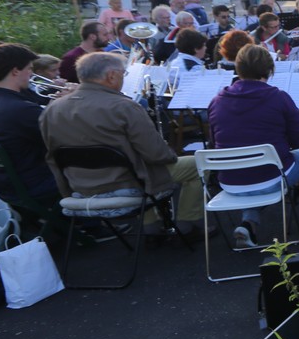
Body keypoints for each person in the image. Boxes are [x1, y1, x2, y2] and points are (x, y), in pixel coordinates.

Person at [40, 51, 205, 237]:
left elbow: (53, 157)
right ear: (111, 75)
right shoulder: (124, 106)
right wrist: (170, 155)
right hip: (128, 183)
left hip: (80, 187)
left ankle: (151, 228)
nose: (123, 78)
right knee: (198, 164)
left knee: (137, 163)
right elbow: (157, 155)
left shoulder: (51, 110)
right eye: (123, 73)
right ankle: (188, 224)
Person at [207, 45, 299, 240]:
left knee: (250, 169)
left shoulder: (217, 101)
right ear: (269, 69)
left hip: (230, 182)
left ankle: (249, 224)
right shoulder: (278, 97)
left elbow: (214, 141)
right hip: (270, 178)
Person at [0, 42, 60, 202]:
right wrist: (69, 102)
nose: (31, 74)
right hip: (37, 184)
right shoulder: (20, 109)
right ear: (15, 71)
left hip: (6, 185)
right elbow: (65, 139)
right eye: (29, 69)